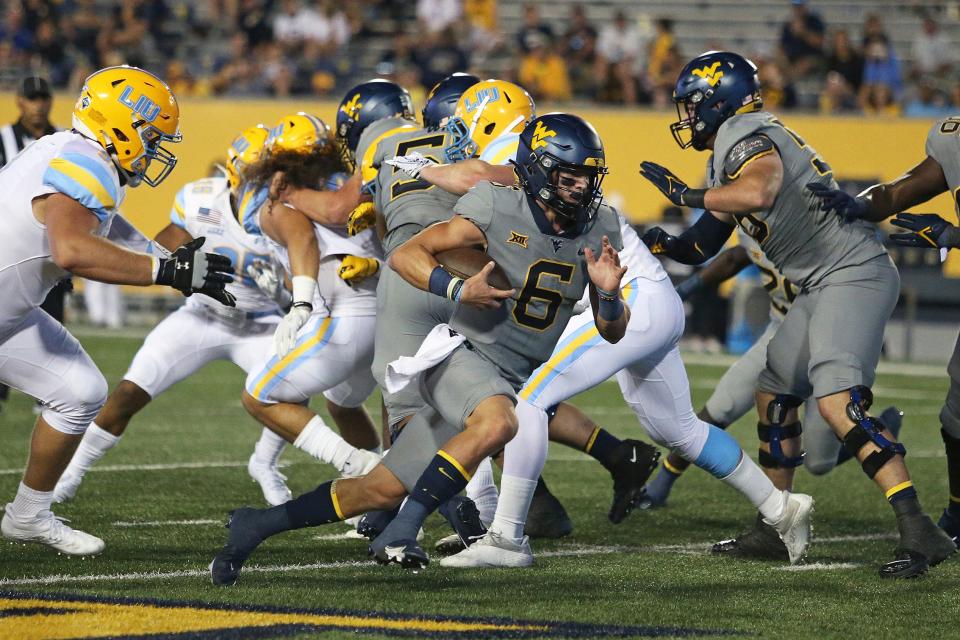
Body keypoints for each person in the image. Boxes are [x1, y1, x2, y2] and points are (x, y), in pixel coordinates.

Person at [639, 50, 955, 578]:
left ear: (720, 101)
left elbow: (758, 190)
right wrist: (661, 243)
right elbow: (703, 241)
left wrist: (682, 191)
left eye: (693, 105)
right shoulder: (730, 146)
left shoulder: (748, 137)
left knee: (835, 402)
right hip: (819, 281)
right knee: (774, 390)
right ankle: (777, 522)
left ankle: (918, 526)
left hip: (852, 271)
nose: (687, 117)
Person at [0, 66, 234, 556]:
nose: (155, 148)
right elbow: (70, 250)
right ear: (122, 125)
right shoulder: (88, 164)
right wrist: (164, 272)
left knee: (79, 390)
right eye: (151, 135)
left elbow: (104, 222)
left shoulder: (76, 149)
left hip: (10, 313)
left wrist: (165, 259)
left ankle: (27, 516)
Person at [638, 229, 904, 545]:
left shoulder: (810, 218)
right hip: (781, 329)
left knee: (820, 461)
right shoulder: (752, 212)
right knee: (722, 405)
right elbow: (739, 254)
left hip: (829, 333)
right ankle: (664, 480)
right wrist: (687, 288)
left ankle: (881, 428)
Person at [803, 112, 960, 552]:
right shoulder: (954, 137)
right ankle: (956, 514)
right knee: (955, 418)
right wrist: (860, 203)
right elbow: (899, 190)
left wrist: (953, 234)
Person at [0, 76, 67, 412]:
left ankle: (50, 401)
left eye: (44, 98)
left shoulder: (66, 142)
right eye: (32, 98)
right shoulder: (2, 139)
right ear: (20, 102)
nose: (39, 105)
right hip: (7, 249)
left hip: (48, 252)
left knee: (53, 330)